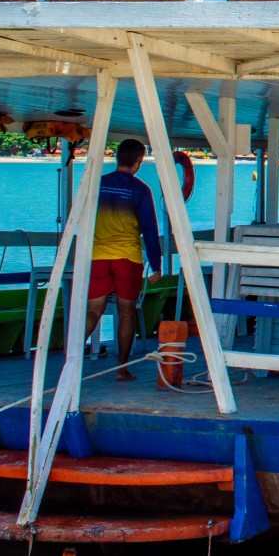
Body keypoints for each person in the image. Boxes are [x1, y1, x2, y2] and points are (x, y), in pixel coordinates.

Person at [83, 138, 162, 379]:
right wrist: (156, 264)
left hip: (97, 257)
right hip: (127, 258)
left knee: (94, 311)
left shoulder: (98, 184)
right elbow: (149, 228)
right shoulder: (140, 190)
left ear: (118, 158)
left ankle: (71, 358)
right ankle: (122, 369)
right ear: (138, 162)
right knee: (126, 311)